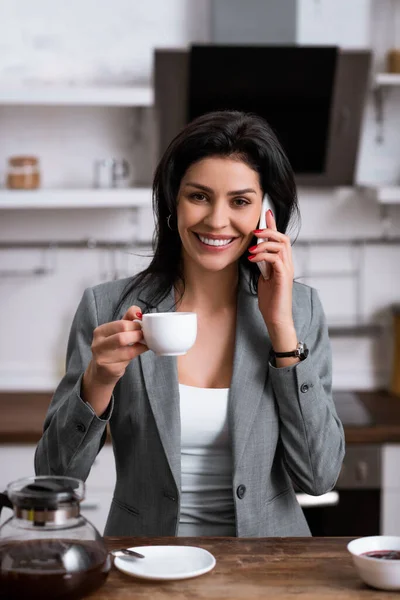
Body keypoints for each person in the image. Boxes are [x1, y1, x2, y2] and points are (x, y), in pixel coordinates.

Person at [35, 110, 345, 537]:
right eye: (199, 196)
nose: (217, 220)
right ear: (172, 202)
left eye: (240, 201)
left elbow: (319, 476)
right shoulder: (106, 306)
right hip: (144, 565)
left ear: (264, 212)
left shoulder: (302, 309)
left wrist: (280, 329)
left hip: (269, 568)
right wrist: (99, 381)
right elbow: (55, 478)